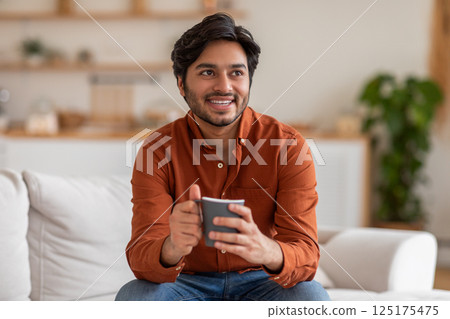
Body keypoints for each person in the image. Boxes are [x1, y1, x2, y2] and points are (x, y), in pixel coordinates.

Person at [115, 13, 330, 301]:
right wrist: (172, 246)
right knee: (136, 296)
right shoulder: (156, 150)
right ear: (181, 84)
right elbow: (141, 257)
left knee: (310, 296)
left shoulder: (288, 146)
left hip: (262, 281)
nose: (224, 86)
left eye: (236, 73)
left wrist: (264, 249)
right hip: (185, 282)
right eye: (207, 72)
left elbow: (306, 254)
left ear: (249, 80)